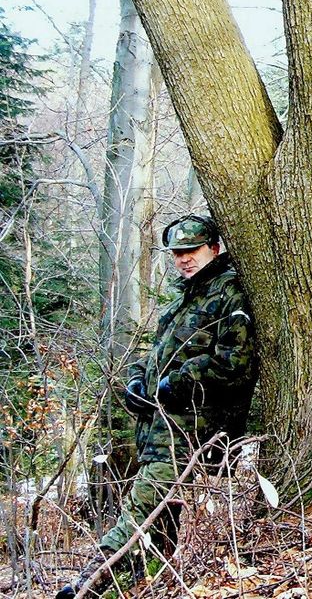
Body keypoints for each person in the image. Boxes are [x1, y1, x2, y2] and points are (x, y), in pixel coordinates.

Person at [57, 215, 256, 598]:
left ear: (213, 248)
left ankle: (87, 587)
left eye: (192, 251)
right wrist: (137, 380)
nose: (184, 259)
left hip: (192, 430)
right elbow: (155, 357)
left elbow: (235, 363)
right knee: (159, 520)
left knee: (141, 507)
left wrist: (176, 383)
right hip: (158, 430)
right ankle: (136, 583)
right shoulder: (185, 299)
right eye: (178, 253)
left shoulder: (228, 293)